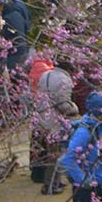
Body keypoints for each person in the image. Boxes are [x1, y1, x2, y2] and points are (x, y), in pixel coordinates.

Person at [28, 53, 79, 194]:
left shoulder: (46, 74)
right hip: (55, 121)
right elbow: (63, 104)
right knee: (55, 153)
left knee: (48, 152)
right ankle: (50, 185)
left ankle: (53, 182)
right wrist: (75, 109)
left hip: (41, 116)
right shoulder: (65, 80)